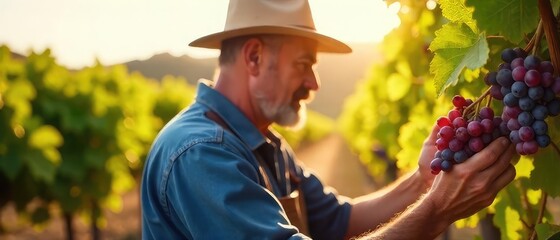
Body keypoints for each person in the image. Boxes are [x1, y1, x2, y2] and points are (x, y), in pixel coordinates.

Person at [140, 0, 517, 239]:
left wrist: (423, 179)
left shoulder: (263, 143)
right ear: (253, 58)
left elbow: (340, 220)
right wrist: (437, 210)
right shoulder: (201, 154)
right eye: (303, 65)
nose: (313, 83)